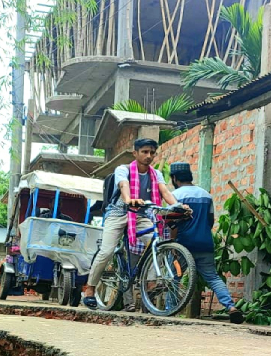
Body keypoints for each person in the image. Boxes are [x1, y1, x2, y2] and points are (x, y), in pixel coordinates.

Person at [82, 138, 178, 308]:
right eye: (144, 152)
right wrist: (129, 199)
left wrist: (178, 206)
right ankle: (90, 289)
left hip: (140, 214)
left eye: (152, 153)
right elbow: (123, 184)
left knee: (156, 243)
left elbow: (164, 191)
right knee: (106, 251)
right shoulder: (123, 169)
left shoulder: (156, 174)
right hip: (118, 213)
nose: (149, 156)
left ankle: (150, 282)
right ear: (135, 153)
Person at [168, 162, 245, 324]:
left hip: (182, 245)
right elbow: (210, 221)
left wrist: (172, 244)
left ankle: (170, 310)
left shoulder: (174, 195)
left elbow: (172, 223)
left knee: (173, 278)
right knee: (213, 278)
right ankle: (231, 307)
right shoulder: (206, 195)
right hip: (204, 243)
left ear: (174, 178)